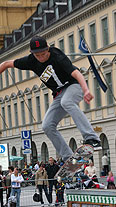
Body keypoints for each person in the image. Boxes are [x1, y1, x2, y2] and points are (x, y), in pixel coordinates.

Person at [0, 35, 102, 163]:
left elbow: (76, 73)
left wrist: (86, 89)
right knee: (47, 125)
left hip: (74, 85)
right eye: (38, 56)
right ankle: (68, 157)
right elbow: (6, 64)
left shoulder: (56, 55)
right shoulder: (30, 61)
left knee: (67, 102)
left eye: (43, 54)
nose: (41, 58)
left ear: (48, 49)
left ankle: (92, 138)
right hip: (58, 94)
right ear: (33, 54)